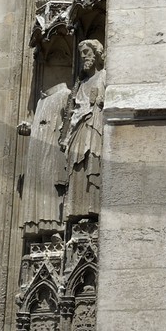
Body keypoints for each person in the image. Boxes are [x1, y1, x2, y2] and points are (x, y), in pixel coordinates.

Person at [17, 82, 72, 232]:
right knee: (38, 183)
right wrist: (31, 128)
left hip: (53, 151)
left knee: (49, 183)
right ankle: (38, 230)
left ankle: (54, 228)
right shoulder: (41, 101)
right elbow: (43, 125)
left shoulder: (65, 95)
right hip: (38, 152)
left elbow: (69, 124)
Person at [64, 40, 107, 218]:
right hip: (78, 128)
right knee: (77, 166)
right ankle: (78, 209)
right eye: (81, 53)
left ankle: (92, 208)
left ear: (96, 54)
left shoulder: (104, 75)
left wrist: (98, 101)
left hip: (93, 125)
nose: (83, 56)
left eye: (87, 52)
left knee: (92, 162)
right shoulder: (81, 83)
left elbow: (105, 101)